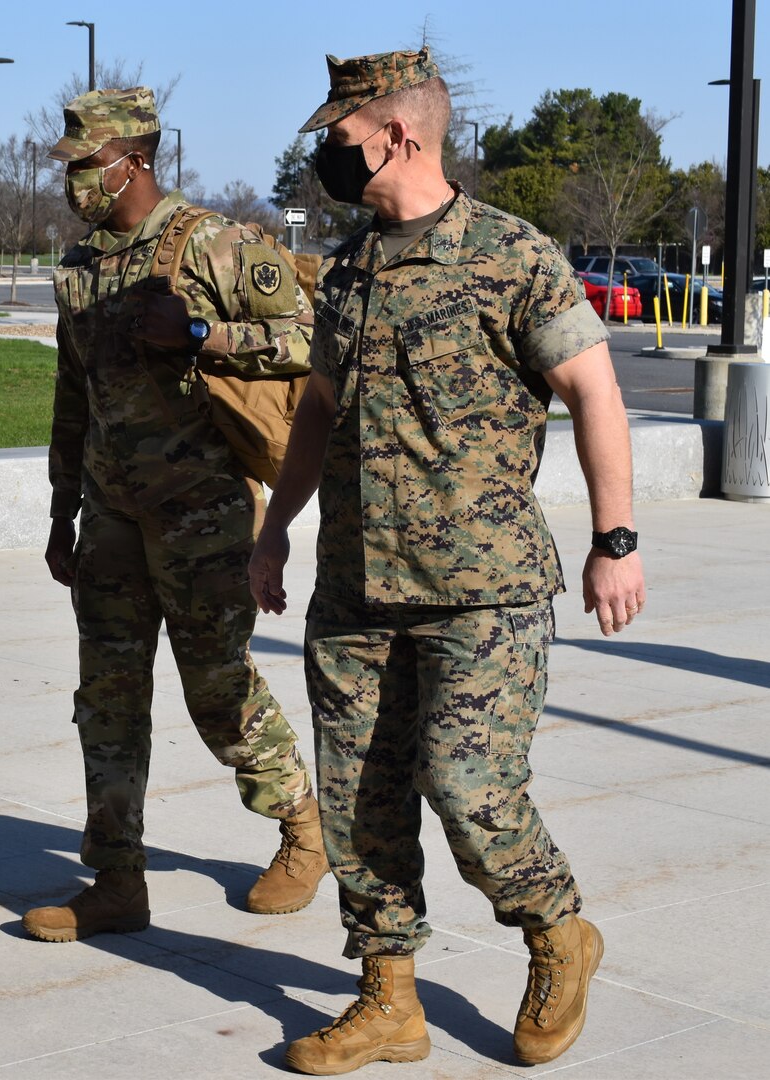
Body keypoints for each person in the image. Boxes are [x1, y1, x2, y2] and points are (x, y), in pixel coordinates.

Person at [248, 49, 646, 1073]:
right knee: (357, 798)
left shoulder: (512, 255)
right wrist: (276, 524)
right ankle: (389, 1001)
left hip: (484, 589)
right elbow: (320, 415)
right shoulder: (346, 269)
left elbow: (596, 394)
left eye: (338, 137)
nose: (326, 156)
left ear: (397, 135)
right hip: (355, 588)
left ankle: (559, 931)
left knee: (468, 786)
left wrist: (615, 541)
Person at [23, 87, 327, 944]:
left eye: (86, 163)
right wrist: (58, 511)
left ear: (134, 159)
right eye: (71, 164)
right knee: (107, 698)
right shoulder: (80, 267)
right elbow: (70, 395)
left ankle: (304, 829)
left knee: (217, 688)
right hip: (110, 514)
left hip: (205, 515)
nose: (75, 179)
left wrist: (203, 335)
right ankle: (117, 879)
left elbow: (317, 339)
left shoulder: (213, 244)